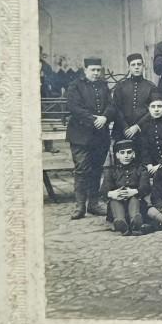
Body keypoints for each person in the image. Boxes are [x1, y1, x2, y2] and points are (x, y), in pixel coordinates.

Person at [65, 57, 114, 219]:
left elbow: (111, 105)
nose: (96, 73)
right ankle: (80, 207)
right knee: (82, 169)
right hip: (80, 136)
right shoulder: (75, 86)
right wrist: (94, 119)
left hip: (100, 136)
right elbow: (74, 107)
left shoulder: (103, 85)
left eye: (98, 70)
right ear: (85, 70)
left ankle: (93, 204)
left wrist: (105, 117)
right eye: (93, 70)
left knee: (96, 169)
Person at [99, 139, 148, 234]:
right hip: (117, 201)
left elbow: (145, 187)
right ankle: (120, 222)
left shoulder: (141, 169)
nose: (126, 156)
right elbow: (103, 190)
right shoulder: (112, 171)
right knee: (114, 200)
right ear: (117, 155)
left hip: (136, 203)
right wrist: (112, 193)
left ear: (134, 154)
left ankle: (135, 221)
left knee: (135, 198)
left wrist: (134, 192)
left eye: (129, 152)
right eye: (122, 153)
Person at [109, 52, 159, 141]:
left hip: (144, 131)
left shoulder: (151, 87)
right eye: (133, 65)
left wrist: (137, 126)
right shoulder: (121, 86)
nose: (136, 67)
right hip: (122, 131)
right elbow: (116, 108)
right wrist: (125, 127)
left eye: (139, 64)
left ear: (143, 66)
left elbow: (154, 109)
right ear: (128, 67)